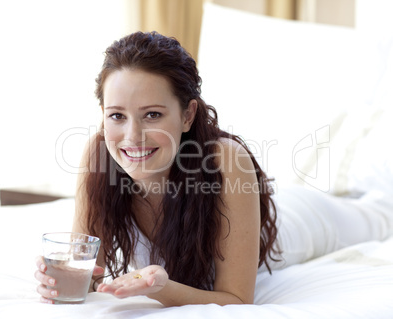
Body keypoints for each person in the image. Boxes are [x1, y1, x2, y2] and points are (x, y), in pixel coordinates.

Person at [34, 31, 279, 306]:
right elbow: (89, 276)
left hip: (294, 223)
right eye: (117, 115)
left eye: (152, 115)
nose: (132, 136)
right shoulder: (98, 153)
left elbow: (237, 299)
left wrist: (158, 289)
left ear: (187, 115)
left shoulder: (226, 160)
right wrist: (61, 282)